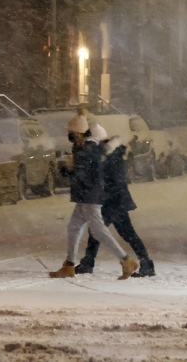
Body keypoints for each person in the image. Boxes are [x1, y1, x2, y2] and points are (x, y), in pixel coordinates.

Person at [48, 113, 139, 280]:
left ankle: (126, 260)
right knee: (74, 228)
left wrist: (68, 168)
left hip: (90, 195)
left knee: (99, 231)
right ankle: (69, 265)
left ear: (79, 133)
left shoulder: (88, 150)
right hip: (86, 195)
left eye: (71, 133)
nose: (70, 136)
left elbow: (82, 174)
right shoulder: (87, 148)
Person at [75, 124, 155, 277]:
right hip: (116, 201)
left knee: (102, 231)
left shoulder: (109, 155)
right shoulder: (110, 154)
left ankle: (89, 263)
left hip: (113, 201)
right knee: (123, 233)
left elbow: (112, 179)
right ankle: (146, 264)